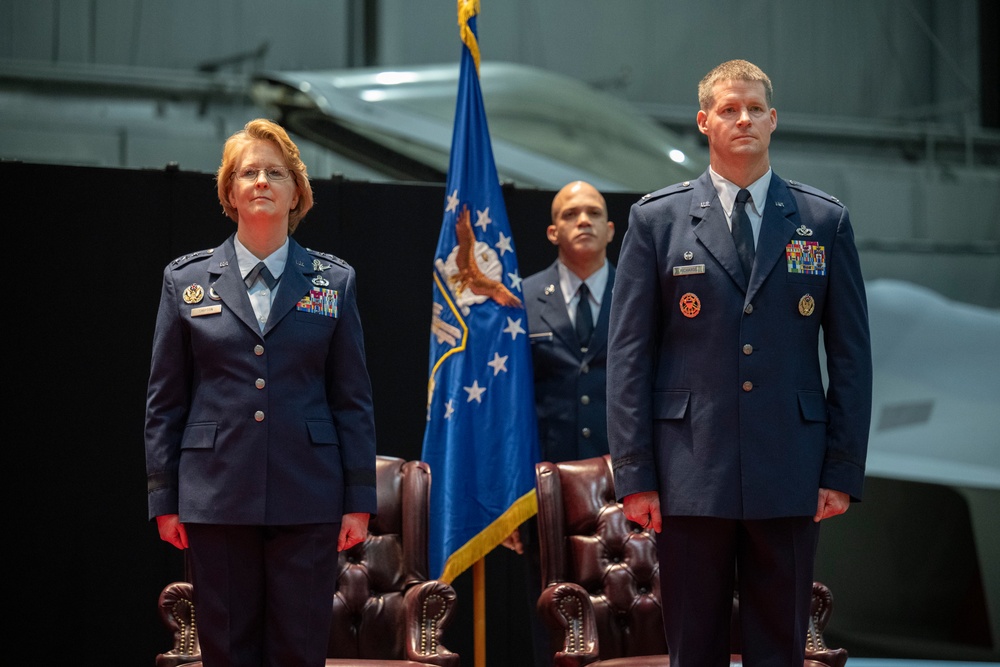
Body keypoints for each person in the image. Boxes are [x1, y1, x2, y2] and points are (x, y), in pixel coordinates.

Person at [607, 59, 872, 667]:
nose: (743, 119)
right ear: (705, 122)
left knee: (779, 650)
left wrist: (841, 468)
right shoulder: (657, 219)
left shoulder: (823, 221)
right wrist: (635, 476)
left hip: (793, 473)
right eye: (729, 109)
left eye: (755, 108)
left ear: (774, 120)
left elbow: (852, 355)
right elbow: (627, 357)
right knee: (693, 649)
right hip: (688, 473)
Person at [145, 118, 377, 667]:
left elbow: (352, 399)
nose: (261, 182)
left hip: (309, 495)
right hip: (216, 494)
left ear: (298, 191)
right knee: (228, 651)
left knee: (299, 649)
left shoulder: (332, 281)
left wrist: (358, 500)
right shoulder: (187, 281)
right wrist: (164, 497)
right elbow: (165, 400)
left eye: (276, 172)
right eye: (248, 172)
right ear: (229, 191)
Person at [514, 180, 616, 666]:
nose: (584, 221)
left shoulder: (642, 294)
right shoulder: (521, 299)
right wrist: (512, 497)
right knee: (552, 623)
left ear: (611, 229)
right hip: (546, 493)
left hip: (625, 490)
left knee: (627, 617)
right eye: (571, 213)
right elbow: (509, 409)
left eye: (594, 213)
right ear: (553, 230)